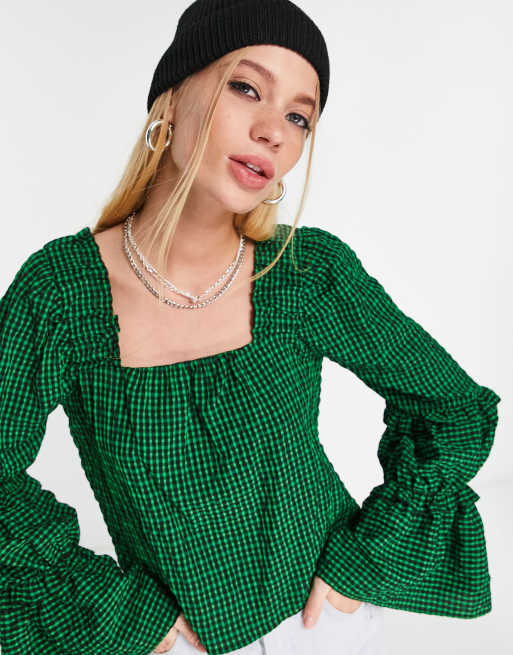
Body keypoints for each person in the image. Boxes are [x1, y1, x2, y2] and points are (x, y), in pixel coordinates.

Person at [0, 1, 501, 654]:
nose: (274, 133)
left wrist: (364, 560)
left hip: (328, 628)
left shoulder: (304, 273)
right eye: (246, 88)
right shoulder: (62, 294)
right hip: (174, 641)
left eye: (299, 117)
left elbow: (454, 407)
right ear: (172, 99)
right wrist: (118, 612)